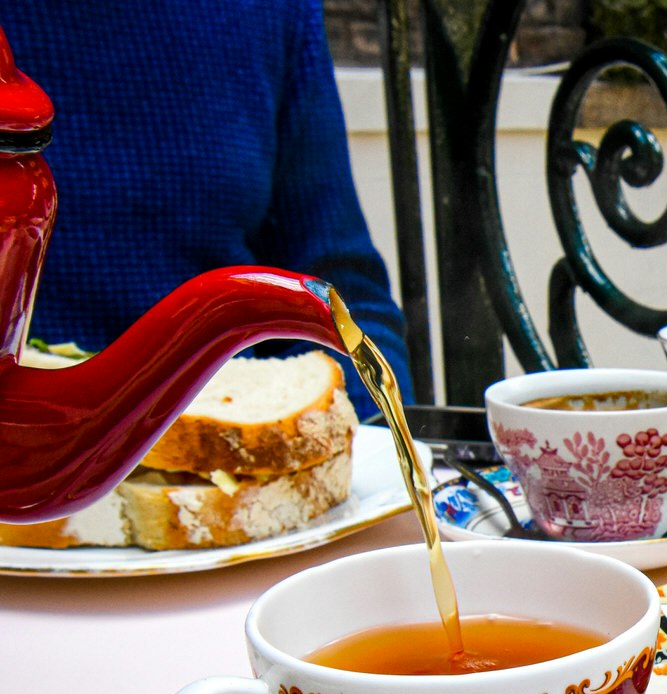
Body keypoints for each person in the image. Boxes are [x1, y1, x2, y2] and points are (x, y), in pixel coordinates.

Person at [0, 0, 413, 420]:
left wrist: (361, 444)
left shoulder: (270, 11)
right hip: (28, 443)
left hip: (239, 424)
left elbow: (343, 288)